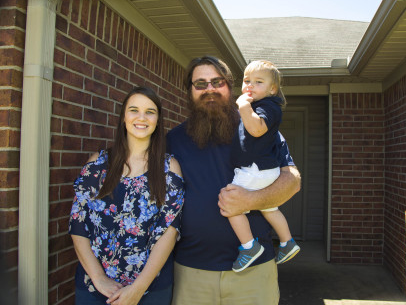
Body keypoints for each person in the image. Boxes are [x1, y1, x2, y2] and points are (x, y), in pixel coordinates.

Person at [167, 56, 301, 305]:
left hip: (254, 274)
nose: (210, 89)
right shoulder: (172, 140)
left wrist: (251, 199)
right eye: (200, 83)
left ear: (230, 86)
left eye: (217, 82)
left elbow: (292, 181)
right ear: (189, 91)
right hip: (191, 272)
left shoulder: (258, 127)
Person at [69, 86, 184, 305]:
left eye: (150, 112)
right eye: (134, 110)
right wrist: (99, 279)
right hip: (94, 288)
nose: (142, 117)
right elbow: (78, 224)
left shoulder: (169, 168)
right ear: (123, 117)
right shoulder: (98, 164)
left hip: (151, 289)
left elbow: (169, 231)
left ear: (158, 120)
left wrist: (138, 288)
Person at [229, 60, 300, 273]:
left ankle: (249, 246)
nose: (250, 86)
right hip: (264, 170)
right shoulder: (258, 106)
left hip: (255, 169)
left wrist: (242, 106)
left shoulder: (268, 106)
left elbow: (257, 129)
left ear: (272, 89)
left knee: (230, 203)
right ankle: (287, 242)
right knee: (269, 207)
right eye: (246, 80)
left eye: (258, 82)